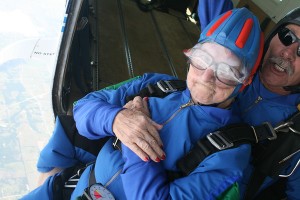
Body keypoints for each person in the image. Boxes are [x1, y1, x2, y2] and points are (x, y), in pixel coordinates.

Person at [70, 8, 263, 199]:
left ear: (244, 82)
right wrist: (117, 119)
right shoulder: (159, 85)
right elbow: (83, 107)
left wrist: (135, 137)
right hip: (77, 188)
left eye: (226, 71)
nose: (206, 76)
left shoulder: (231, 151)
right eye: (203, 58)